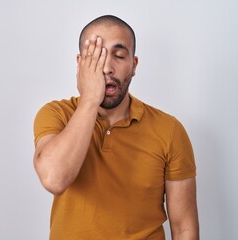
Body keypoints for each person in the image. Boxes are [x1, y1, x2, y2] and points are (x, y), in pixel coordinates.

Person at [33, 15, 199, 240]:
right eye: (96, 57)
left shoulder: (169, 129)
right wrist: (90, 100)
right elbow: (54, 179)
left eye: (119, 56)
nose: (107, 68)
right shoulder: (56, 114)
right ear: (81, 64)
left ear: (134, 65)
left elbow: (184, 227)